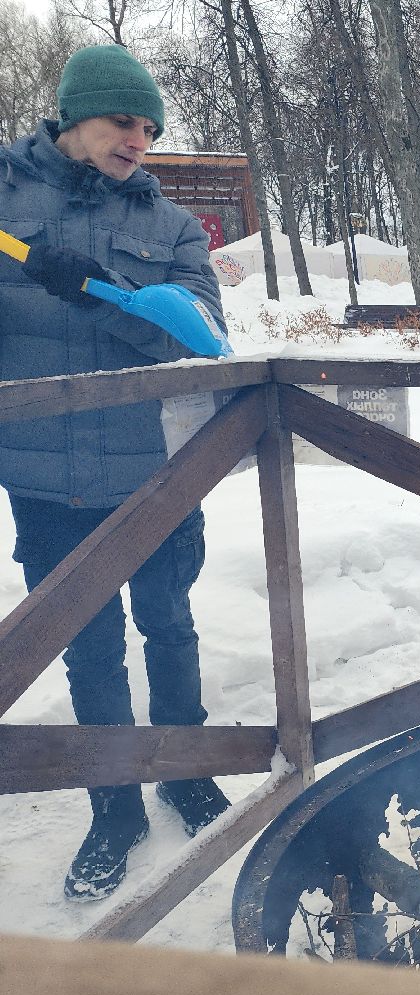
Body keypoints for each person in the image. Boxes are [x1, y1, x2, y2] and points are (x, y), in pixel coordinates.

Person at [0, 44, 231, 900]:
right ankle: (116, 806)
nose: (139, 140)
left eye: (150, 128)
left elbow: (200, 336)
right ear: (72, 117)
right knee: (89, 648)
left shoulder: (169, 227)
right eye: (122, 121)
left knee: (168, 625)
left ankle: (186, 769)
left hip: (156, 474)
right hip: (43, 477)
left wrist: (101, 291)